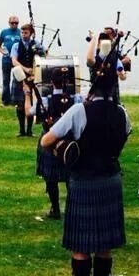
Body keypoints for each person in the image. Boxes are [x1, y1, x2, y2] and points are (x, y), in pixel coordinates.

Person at [41, 55, 131, 276]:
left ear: (93, 86)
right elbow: (122, 141)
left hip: (84, 181)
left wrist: (65, 145)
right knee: (104, 247)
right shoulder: (122, 113)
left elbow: (47, 140)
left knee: (81, 246)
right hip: (110, 179)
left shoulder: (79, 111)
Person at [25, 69, 84, 219]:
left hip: (49, 143)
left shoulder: (45, 101)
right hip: (69, 144)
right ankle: (73, 208)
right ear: (68, 82)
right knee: (71, 177)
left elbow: (29, 112)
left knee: (51, 179)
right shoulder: (77, 100)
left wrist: (27, 94)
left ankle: (55, 209)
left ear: (52, 82)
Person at [11, 23, 44, 137]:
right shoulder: (16, 46)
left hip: (33, 77)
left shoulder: (37, 44)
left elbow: (45, 56)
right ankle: (21, 130)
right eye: (22, 33)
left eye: (26, 33)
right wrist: (25, 69)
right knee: (19, 104)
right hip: (19, 76)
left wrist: (41, 53)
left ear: (31, 33)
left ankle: (29, 131)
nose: (23, 35)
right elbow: (14, 61)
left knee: (31, 103)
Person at [84, 28, 128, 103]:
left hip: (111, 96)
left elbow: (123, 77)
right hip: (95, 96)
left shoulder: (115, 57)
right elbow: (89, 59)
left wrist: (121, 73)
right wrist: (93, 39)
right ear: (98, 44)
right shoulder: (95, 56)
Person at [0, 15, 21, 106]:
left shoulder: (20, 32)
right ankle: (5, 100)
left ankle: (15, 100)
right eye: (12, 23)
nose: (14, 25)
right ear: (9, 23)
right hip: (6, 59)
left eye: (16, 23)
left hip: (16, 59)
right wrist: (2, 52)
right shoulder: (4, 32)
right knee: (6, 80)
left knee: (16, 80)